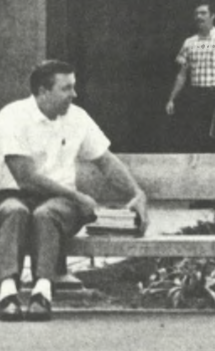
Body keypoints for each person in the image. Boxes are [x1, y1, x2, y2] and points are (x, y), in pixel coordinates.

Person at [0, 60, 149, 323]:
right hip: (14, 195)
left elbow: (105, 160)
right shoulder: (12, 116)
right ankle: (7, 292)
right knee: (14, 211)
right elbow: (25, 178)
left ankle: (42, 292)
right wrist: (77, 196)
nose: (74, 94)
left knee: (47, 214)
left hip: (58, 204)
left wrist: (136, 193)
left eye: (74, 87)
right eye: (66, 88)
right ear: (43, 91)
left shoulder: (77, 118)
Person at [165, 1, 215, 153]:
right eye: (197, 13)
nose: (199, 16)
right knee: (196, 140)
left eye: (203, 13)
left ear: (213, 16)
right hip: (196, 97)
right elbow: (182, 75)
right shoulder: (189, 43)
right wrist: (172, 99)